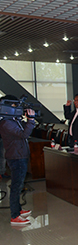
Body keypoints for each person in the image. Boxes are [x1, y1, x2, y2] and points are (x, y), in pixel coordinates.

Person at [0, 96, 35, 225]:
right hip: (16, 157)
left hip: (19, 155)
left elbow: (24, 129)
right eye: (15, 106)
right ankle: (15, 216)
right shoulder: (6, 123)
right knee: (16, 187)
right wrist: (31, 120)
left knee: (18, 185)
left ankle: (18, 210)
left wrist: (27, 119)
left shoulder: (13, 120)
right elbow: (24, 134)